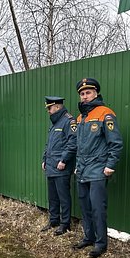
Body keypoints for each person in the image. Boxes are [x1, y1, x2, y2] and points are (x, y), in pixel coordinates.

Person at [72, 78, 123, 258]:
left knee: (97, 208)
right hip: (83, 170)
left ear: (96, 93)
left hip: (98, 169)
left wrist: (110, 165)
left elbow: (115, 143)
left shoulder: (105, 114)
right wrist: (78, 167)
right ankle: (89, 237)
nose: (85, 97)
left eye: (88, 93)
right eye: (82, 94)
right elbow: (79, 145)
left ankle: (101, 243)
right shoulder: (80, 117)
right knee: (85, 206)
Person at [41, 96, 77, 236]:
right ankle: (54, 220)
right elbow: (49, 144)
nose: (48, 111)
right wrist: (44, 159)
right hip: (51, 165)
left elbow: (72, 143)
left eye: (49, 108)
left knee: (63, 196)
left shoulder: (69, 121)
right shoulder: (54, 122)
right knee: (53, 197)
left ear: (57, 106)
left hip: (61, 167)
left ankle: (65, 224)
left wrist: (64, 160)